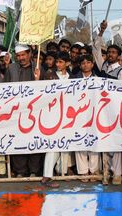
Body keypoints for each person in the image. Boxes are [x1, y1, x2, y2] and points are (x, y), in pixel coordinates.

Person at [5, 44, 45, 177]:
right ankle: (20, 171)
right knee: (18, 140)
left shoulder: (38, 68)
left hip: (35, 112)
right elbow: (4, 89)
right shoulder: (11, 68)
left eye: (23, 55)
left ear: (29, 55)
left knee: (34, 140)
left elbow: (47, 90)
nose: (21, 58)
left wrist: (39, 80)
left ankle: (34, 170)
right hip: (17, 111)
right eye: (18, 55)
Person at [41, 52, 75, 188]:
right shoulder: (49, 76)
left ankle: (62, 171)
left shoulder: (72, 78)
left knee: (65, 144)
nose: (58, 64)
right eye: (57, 62)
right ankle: (47, 175)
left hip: (68, 115)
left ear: (67, 63)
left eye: (61, 62)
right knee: (53, 145)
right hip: (52, 115)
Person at [71, 55, 101, 181]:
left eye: (88, 62)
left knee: (94, 140)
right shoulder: (73, 79)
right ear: (80, 65)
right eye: (83, 63)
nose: (86, 65)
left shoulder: (99, 80)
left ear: (92, 64)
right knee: (80, 141)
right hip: (78, 114)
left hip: (94, 114)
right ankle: (83, 171)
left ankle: (94, 171)